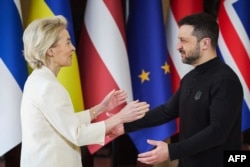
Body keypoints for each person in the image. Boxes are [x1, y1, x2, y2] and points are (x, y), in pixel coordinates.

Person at [111, 13, 244, 167]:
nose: (177, 46)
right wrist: (125, 126)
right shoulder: (189, 78)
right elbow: (167, 111)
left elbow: (217, 132)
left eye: (183, 41)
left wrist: (171, 151)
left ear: (205, 43)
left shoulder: (225, 81)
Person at [20, 15, 149, 167]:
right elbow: (77, 134)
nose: (73, 48)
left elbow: (63, 121)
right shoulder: (48, 87)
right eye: (67, 42)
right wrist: (120, 117)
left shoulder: (38, 80)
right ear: (50, 51)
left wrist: (99, 109)